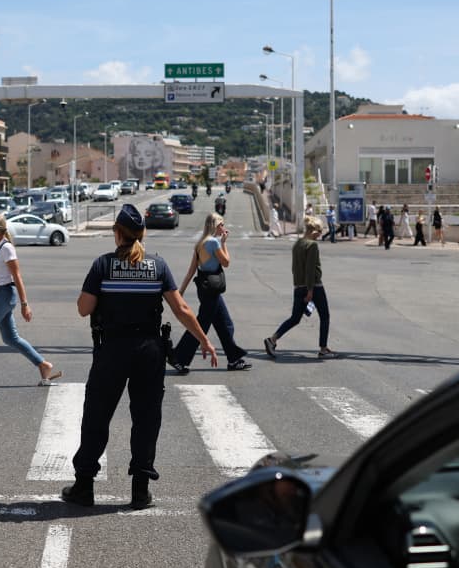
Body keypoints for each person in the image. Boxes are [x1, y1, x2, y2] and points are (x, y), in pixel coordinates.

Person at [61, 205, 216, 510]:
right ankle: (140, 491)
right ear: (142, 234)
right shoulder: (157, 265)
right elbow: (181, 309)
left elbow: (83, 308)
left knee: (97, 416)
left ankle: (84, 487)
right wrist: (205, 340)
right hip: (149, 350)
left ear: (117, 232)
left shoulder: (102, 266)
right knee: (146, 418)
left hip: (113, 349)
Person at [0, 213, 62, 385]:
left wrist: (25, 304)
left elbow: (17, 277)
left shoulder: (6, 248)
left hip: (4, 296)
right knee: (10, 338)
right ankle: (43, 364)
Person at [170, 213, 252, 374]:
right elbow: (226, 262)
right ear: (215, 225)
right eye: (221, 224)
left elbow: (191, 272)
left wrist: (180, 292)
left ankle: (234, 359)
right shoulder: (214, 243)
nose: (224, 227)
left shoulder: (200, 243)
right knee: (200, 326)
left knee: (225, 324)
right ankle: (178, 358)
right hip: (212, 290)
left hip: (205, 288)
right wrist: (224, 243)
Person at [264, 216, 336, 359]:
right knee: (325, 316)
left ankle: (272, 339)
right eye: (320, 232)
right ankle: (323, 348)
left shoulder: (298, 244)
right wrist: (310, 290)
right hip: (314, 286)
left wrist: (300, 286)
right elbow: (310, 269)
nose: (320, 235)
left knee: (295, 318)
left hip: (298, 286)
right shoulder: (312, 245)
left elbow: (295, 268)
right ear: (314, 231)